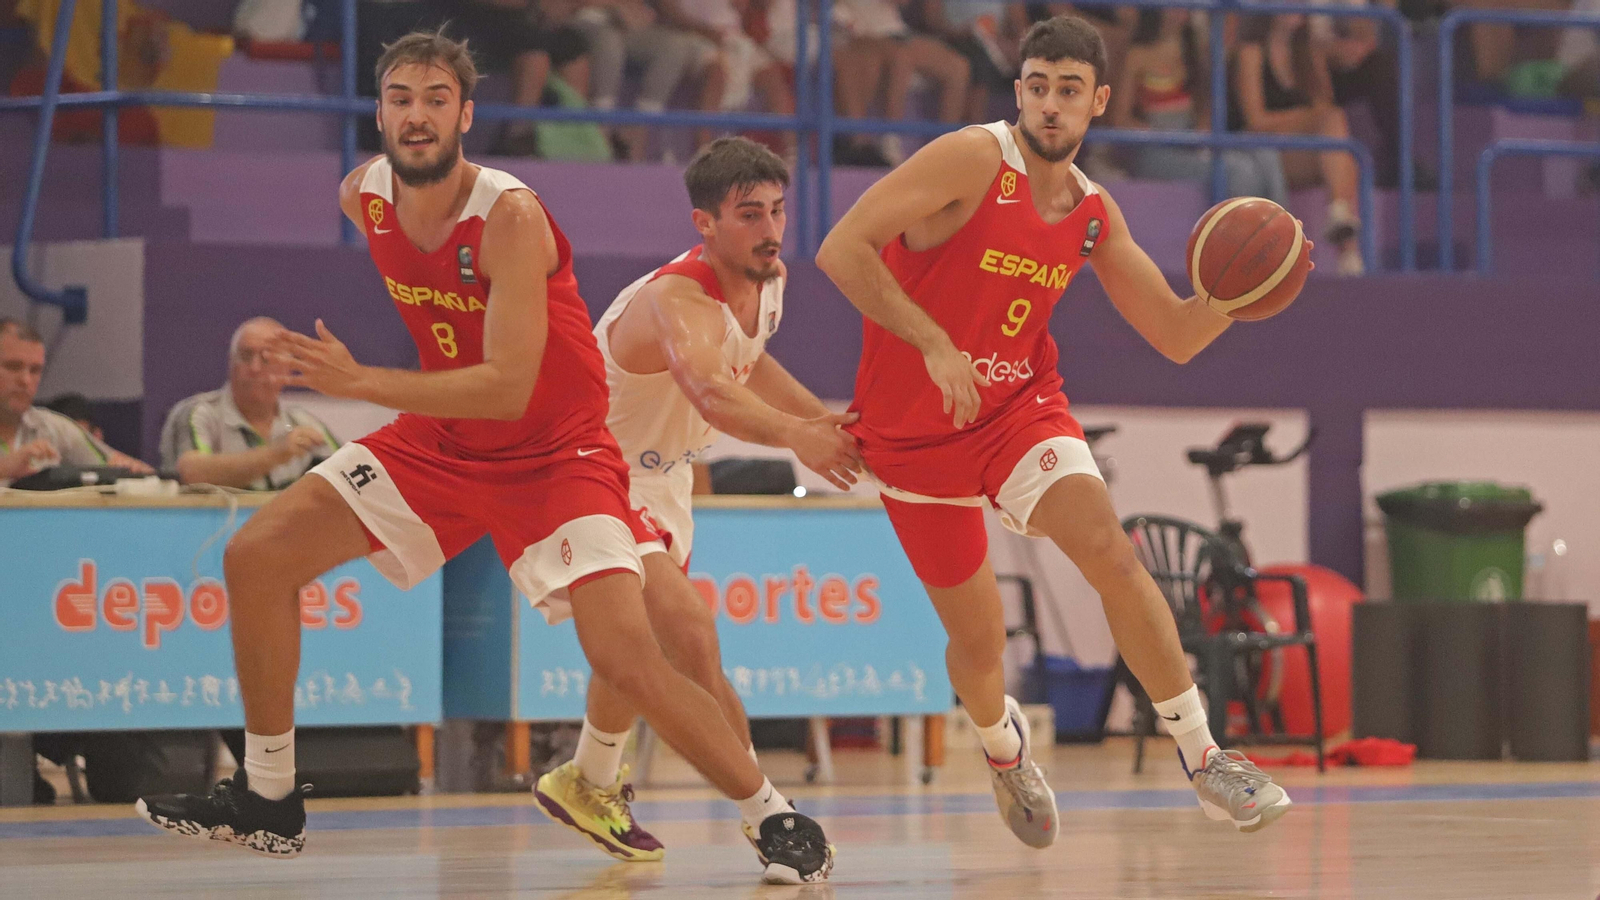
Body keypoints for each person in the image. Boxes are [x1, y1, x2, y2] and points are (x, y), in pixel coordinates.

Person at [132, 30, 833, 885]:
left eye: (435, 100)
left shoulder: (510, 216)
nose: (416, 116)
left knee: (629, 656)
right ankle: (269, 797)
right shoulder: (364, 195)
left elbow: (508, 386)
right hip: (445, 442)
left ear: (465, 115)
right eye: (399, 98)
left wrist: (361, 380)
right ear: (380, 111)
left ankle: (771, 815)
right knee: (257, 556)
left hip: (558, 450)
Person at [815, 15, 1299, 849]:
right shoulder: (973, 158)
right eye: (1036, 86)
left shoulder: (1092, 213)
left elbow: (1177, 334)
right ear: (1019, 92)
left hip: (1018, 411)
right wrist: (931, 341)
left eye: (1067, 90)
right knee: (977, 642)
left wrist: (1246, 292)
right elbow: (839, 247)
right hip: (913, 433)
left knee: (1112, 550)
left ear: (1098, 102)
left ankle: (1204, 755)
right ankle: (1004, 752)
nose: (1049, 104)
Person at [534, 136, 861, 860]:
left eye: (777, 210)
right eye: (749, 214)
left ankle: (587, 777)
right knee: (690, 637)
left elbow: (751, 361)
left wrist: (822, 421)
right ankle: (768, 815)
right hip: (590, 466)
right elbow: (713, 392)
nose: (770, 229)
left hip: (663, 478)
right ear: (704, 223)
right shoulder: (674, 298)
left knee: (640, 646)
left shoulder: (767, 280)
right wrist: (798, 439)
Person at [1109, 8, 1288, 205]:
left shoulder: (1196, 50)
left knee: (1265, 154)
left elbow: (1206, 109)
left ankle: (1284, 229)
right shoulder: (1137, 55)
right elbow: (1120, 119)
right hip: (1156, 149)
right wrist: (1157, 133)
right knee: (1237, 170)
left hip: (1193, 140)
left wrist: (1201, 132)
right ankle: (1240, 233)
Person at [1231, 13, 1364, 275]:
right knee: (1335, 129)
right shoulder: (1251, 52)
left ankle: (1342, 228)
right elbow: (1255, 120)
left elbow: (1324, 110)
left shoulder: (1308, 52)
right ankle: (1347, 247)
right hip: (1262, 149)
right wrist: (1303, 117)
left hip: (1299, 148)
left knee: (1344, 153)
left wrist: (1310, 119)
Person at [158, 317, 339, 490]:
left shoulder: (302, 421)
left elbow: (348, 475)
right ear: (230, 363)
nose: (255, 368)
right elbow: (191, 472)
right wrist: (276, 453)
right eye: (245, 356)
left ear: (287, 367)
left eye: (266, 358)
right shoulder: (199, 412)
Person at [0, 319, 152, 485]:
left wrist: (130, 474)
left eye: (35, 370)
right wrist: (4, 469)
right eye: (13, 366)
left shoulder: (54, 429)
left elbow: (133, 470)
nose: (26, 380)